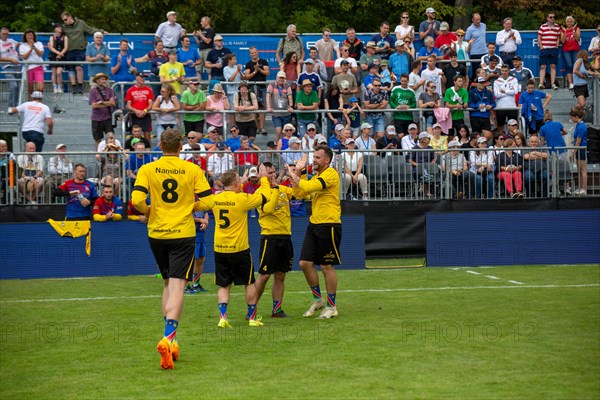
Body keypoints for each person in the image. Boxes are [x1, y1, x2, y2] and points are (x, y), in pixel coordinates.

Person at [131, 128, 214, 370]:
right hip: (183, 233)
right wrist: (191, 205)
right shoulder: (192, 169)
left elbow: (137, 200)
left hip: (157, 233)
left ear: (159, 145)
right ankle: (168, 337)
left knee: (167, 283)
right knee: (179, 285)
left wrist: (149, 211)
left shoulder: (148, 169)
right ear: (180, 147)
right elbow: (208, 201)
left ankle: (172, 339)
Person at [212, 167, 279, 328]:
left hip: (220, 248)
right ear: (236, 183)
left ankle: (223, 317)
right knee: (249, 282)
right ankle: (252, 317)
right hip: (239, 249)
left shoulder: (215, 199)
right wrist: (263, 179)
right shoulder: (242, 199)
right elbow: (263, 197)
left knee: (224, 285)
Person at [286, 146, 341, 319]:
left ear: (326, 160)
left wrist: (295, 172)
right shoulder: (317, 176)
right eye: (314, 157)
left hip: (329, 224)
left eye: (317, 157)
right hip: (315, 223)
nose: (314, 160)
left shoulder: (331, 174)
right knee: (304, 263)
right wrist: (299, 173)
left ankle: (332, 306)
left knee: (326, 266)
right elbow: (300, 193)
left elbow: (308, 188)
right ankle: (318, 300)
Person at [251, 162, 295, 317]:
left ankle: (277, 309)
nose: (273, 175)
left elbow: (301, 193)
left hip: (285, 236)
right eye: (269, 173)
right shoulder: (260, 194)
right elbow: (268, 209)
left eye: (274, 172)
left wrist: (296, 172)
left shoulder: (282, 189)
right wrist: (275, 189)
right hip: (270, 237)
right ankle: (252, 308)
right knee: (264, 275)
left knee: (281, 274)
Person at [61, 11, 106, 94]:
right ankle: (74, 86)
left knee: (79, 67)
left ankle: (80, 86)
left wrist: (101, 31)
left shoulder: (80, 23)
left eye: (65, 19)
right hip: (69, 50)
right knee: (70, 69)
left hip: (80, 50)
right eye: (63, 20)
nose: (65, 21)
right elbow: (57, 33)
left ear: (70, 17)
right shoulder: (64, 27)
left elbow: (90, 30)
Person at [244, 46, 270, 134]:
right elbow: (246, 76)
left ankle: (262, 127)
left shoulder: (263, 61)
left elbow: (268, 73)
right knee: (254, 108)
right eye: (252, 53)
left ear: (257, 52)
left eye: (255, 52)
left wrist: (260, 70)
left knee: (262, 107)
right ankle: (257, 127)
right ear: (250, 54)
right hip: (251, 88)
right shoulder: (248, 64)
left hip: (262, 87)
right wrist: (255, 71)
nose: (254, 54)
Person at [89, 72, 116, 149]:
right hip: (96, 118)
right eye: (102, 79)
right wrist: (108, 103)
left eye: (104, 79)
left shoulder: (110, 90)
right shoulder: (93, 91)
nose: (104, 81)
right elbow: (94, 105)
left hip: (107, 117)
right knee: (98, 139)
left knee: (110, 137)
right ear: (97, 81)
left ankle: (112, 154)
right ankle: (99, 156)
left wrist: (102, 103)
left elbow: (113, 103)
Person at [125, 73, 154, 142]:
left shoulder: (149, 90)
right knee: (136, 134)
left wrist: (145, 111)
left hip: (146, 115)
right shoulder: (130, 90)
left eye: (144, 77)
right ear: (136, 78)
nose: (143, 79)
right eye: (141, 77)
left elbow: (151, 104)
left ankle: (148, 150)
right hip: (134, 115)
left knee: (147, 134)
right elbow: (128, 105)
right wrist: (136, 111)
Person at [185, 210, 209, 294]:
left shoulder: (202, 200)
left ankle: (196, 284)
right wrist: (200, 220)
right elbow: (186, 216)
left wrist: (205, 222)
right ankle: (185, 286)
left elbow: (206, 213)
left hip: (201, 235)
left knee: (201, 259)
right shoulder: (189, 201)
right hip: (191, 235)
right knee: (189, 261)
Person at [266, 71, 294, 142]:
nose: (281, 79)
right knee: (278, 131)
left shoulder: (287, 86)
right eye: (280, 77)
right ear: (276, 77)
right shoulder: (271, 85)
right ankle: (276, 147)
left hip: (286, 113)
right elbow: (268, 96)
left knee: (284, 133)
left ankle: (282, 149)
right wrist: (268, 107)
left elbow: (290, 97)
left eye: (283, 78)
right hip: (276, 113)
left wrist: (291, 106)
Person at [538, 13, 562, 90]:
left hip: (553, 49)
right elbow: (539, 38)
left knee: (553, 66)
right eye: (551, 17)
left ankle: (553, 84)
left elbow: (558, 37)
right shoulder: (542, 27)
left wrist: (557, 46)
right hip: (544, 49)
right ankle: (541, 83)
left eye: (553, 17)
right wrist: (541, 47)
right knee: (543, 66)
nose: (552, 18)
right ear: (547, 18)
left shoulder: (557, 27)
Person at [493, 65, 519, 133]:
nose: (504, 72)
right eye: (503, 71)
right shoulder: (496, 81)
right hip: (500, 107)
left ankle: (514, 142)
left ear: (509, 71)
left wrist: (504, 91)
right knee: (500, 127)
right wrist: (510, 91)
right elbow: (497, 94)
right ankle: (501, 142)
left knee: (514, 127)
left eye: (506, 71)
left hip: (511, 107)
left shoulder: (514, 80)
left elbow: (515, 91)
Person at [110, 39, 137, 104]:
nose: (125, 46)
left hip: (130, 84)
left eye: (126, 45)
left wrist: (129, 64)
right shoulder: (115, 57)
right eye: (123, 45)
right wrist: (119, 62)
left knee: (130, 103)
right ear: (120, 46)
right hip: (119, 84)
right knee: (121, 104)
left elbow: (135, 72)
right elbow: (113, 72)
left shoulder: (130, 57)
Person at [19, 29, 44, 95]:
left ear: (34, 36)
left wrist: (34, 46)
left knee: (40, 88)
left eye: (31, 35)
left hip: (38, 67)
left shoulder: (38, 43)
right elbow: (24, 57)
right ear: (25, 36)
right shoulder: (22, 46)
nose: (30, 36)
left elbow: (40, 54)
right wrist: (30, 49)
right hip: (28, 68)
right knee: (30, 89)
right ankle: (31, 102)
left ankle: (38, 102)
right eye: (28, 35)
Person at [0, 27, 21, 108]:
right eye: (4, 34)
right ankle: (10, 106)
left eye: (7, 34)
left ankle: (16, 106)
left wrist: (19, 53)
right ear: (0, 34)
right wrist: (10, 59)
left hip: (17, 65)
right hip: (7, 66)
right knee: (13, 85)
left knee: (18, 86)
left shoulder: (11, 40)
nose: (5, 35)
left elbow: (19, 44)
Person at [570, 109, 587, 196]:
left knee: (583, 170)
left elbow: (578, 141)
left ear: (576, 117)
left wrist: (573, 153)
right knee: (579, 170)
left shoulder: (581, 126)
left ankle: (584, 189)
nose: (571, 119)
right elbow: (575, 138)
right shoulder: (578, 125)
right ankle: (581, 188)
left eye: (572, 118)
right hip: (578, 149)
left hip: (581, 150)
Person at [465, 13, 487, 81]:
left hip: (485, 52)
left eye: (479, 19)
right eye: (476, 20)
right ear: (472, 20)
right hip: (475, 53)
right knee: (477, 72)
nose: (478, 21)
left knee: (485, 71)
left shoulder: (483, 25)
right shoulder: (469, 29)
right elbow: (466, 41)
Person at [561, 16, 580, 90]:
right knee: (569, 65)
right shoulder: (563, 30)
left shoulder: (577, 28)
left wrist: (573, 31)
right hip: (566, 50)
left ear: (573, 22)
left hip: (575, 49)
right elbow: (562, 41)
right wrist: (565, 32)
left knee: (576, 65)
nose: (569, 23)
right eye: (568, 21)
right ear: (566, 23)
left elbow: (577, 38)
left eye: (571, 21)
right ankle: (570, 83)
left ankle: (576, 82)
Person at [48, 25, 68, 94]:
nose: (59, 30)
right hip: (53, 55)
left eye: (60, 28)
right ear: (55, 29)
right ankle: (55, 87)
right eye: (57, 28)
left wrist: (60, 54)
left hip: (62, 56)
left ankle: (60, 87)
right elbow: (51, 47)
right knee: (54, 72)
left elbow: (66, 47)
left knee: (59, 72)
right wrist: (58, 53)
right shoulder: (52, 37)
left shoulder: (65, 37)